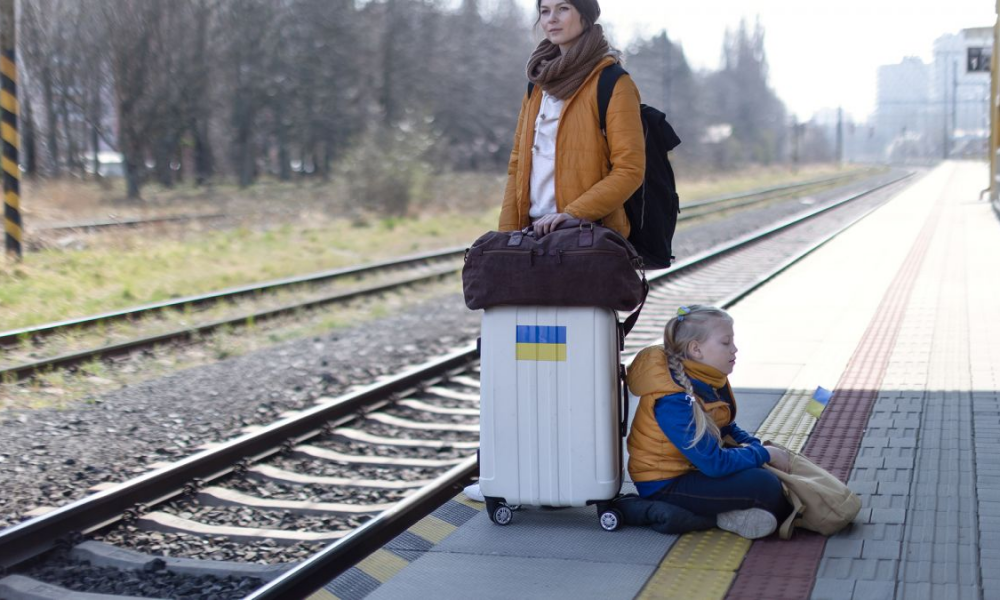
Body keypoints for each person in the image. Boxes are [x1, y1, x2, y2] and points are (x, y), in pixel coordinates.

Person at [465, 0, 644, 504]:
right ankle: (523, 473)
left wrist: (575, 213)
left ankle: (581, 475)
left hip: (583, 243)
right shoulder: (537, 82)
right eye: (544, 8)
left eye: (564, 7)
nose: (551, 17)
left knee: (578, 366)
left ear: (586, 15)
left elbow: (630, 170)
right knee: (522, 363)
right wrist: (505, 241)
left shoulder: (614, 82)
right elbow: (517, 165)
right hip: (532, 241)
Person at [624, 305, 793, 539]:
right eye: (726, 342)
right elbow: (714, 464)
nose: (735, 349)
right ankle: (719, 517)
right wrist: (763, 454)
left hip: (692, 470)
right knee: (765, 486)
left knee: (771, 475)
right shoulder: (673, 401)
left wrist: (757, 447)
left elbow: (726, 427)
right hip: (664, 484)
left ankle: (735, 514)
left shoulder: (706, 378)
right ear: (696, 349)